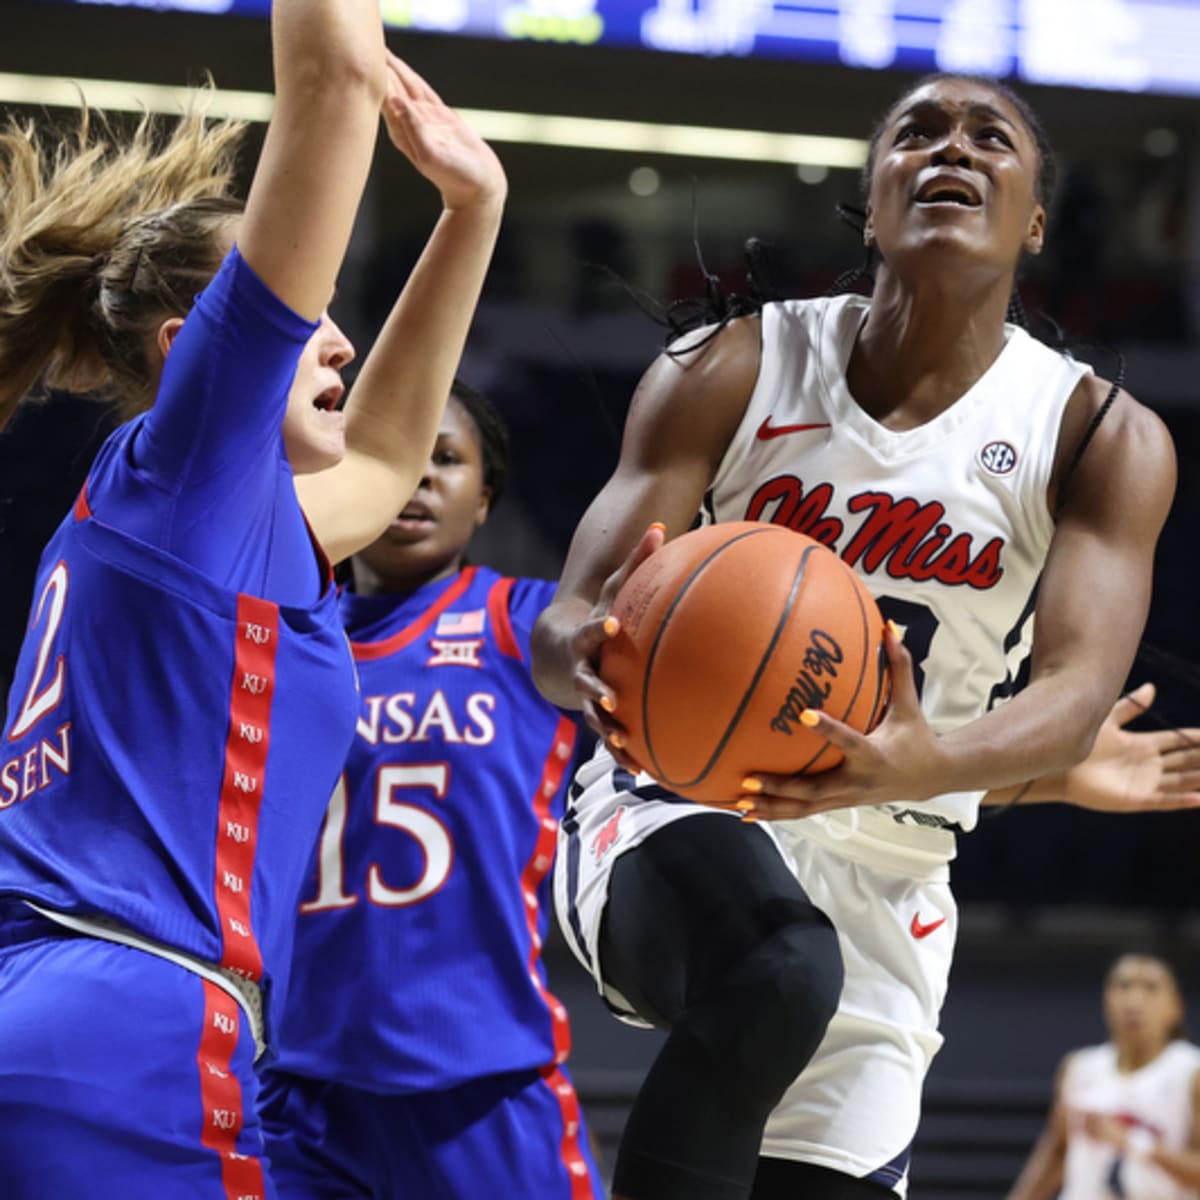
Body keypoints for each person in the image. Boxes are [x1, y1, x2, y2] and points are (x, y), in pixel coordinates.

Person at [530, 72, 1178, 1200]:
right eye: (917, 134)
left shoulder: (1099, 435)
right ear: (871, 202)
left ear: (1035, 221)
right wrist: (589, 652)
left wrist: (952, 765)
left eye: (991, 138)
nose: (952, 151)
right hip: (680, 801)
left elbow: (1073, 695)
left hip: (895, 857)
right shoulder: (733, 364)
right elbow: (561, 624)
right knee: (780, 968)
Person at [0, 4, 505, 1194]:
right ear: (198, 350)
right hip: (129, 1023)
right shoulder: (191, 467)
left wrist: (470, 210)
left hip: (51, 1007)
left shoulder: (188, 528)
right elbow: (331, 79)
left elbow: (382, 468)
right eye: (303, 314)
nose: (337, 344)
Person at [257, 379, 604, 1199]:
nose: (416, 480)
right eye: (397, 457)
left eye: (444, 460)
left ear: (484, 500)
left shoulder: (529, 625)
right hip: (302, 1086)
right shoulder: (277, 640)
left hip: (479, 1075)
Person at [1009, 954, 1200, 1199]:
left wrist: (1135, 1143)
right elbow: (1056, 1153)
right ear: (1105, 1000)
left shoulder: (1190, 1071)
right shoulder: (1078, 1067)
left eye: (1151, 988)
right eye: (1122, 986)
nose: (1133, 1000)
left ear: (1176, 1007)